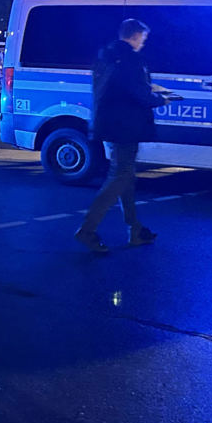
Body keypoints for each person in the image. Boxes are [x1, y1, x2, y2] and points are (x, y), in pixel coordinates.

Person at [73, 18, 170, 253]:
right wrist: (160, 98)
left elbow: (120, 86)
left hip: (110, 122)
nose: (143, 43)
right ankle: (87, 230)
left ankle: (135, 228)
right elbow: (136, 93)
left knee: (126, 175)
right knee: (120, 177)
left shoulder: (106, 55)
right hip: (127, 124)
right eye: (143, 39)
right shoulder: (131, 58)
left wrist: (148, 89)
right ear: (136, 36)